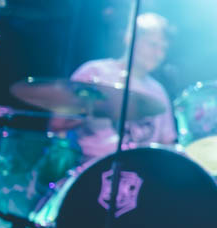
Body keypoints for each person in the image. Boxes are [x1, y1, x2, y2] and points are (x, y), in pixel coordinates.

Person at [67, 12, 177, 159]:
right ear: (129, 38)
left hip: (143, 169)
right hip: (93, 166)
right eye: (153, 45)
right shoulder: (94, 72)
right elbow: (59, 123)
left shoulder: (159, 92)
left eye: (163, 49)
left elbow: (167, 143)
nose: (158, 54)